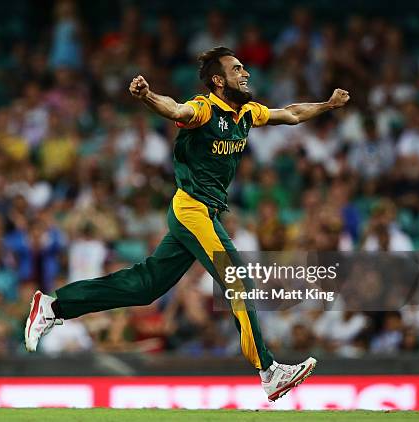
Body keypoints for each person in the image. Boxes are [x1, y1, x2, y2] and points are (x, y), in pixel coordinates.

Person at [25, 47, 349, 402]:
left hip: (203, 214)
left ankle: (54, 307)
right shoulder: (205, 108)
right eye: (237, 69)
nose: (246, 73)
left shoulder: (245, 113)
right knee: (238, 279)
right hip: (192, 209)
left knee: (146, 287)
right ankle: (269, 370)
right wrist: (148, 96)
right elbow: (175, 109)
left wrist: (327, 105)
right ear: (218, 80)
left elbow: (290, 113)